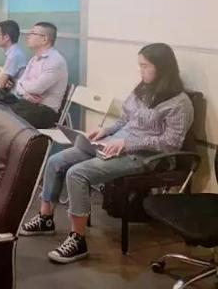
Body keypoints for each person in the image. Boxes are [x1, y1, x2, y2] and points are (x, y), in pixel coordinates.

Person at [20, 43, 194, 264]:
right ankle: (45, 218)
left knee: (77, 173)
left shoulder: (179, 103)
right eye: (140, 65)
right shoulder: (142, 90)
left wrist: (128, 143)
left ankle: (78, 240)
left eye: (145, 66)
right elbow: (124, 120)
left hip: (146, 156)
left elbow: (171, 143)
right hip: (115, 144)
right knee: (56, 161)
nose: (140, 71)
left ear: (162, 67)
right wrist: (106, 131)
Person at [0, 22, 68, 129]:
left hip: (45, 111)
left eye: (33, 33)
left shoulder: (55, 61)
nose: (28, 36)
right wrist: (25, 93)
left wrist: (23, 86)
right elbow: (18, 84)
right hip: (27, 103)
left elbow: (36, 88)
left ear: (44, 39)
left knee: (2, 119)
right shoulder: (34, 59)